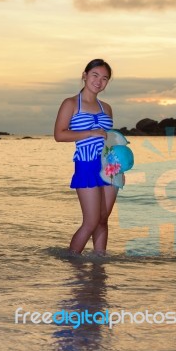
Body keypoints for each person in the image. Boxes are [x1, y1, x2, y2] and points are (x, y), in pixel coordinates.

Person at [54, 59, 118, 255]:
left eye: (104, 78)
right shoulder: (71, 103)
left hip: (110, 166)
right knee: (90, 222)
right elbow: (59, 135)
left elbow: (110, 140)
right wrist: (89, 133)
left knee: (103, 219)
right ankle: (72, 261)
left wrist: (120, 166)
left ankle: (99, 267)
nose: (99, 81)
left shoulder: (106, 107)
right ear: (85, 75)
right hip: (86, 164)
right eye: (95, 75)